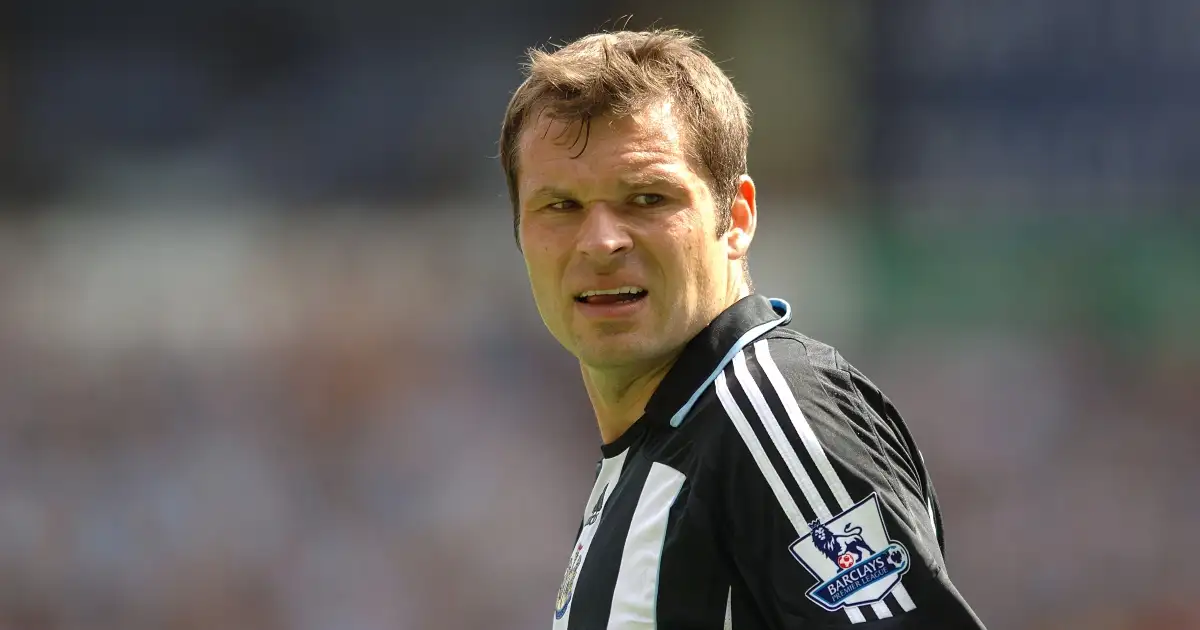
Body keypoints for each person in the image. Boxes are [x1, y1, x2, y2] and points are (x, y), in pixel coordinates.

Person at [499, 28, 986, 629]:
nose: (601, 241)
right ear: (520, 234)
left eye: (648, 199)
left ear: (736, 218)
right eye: (561, 206)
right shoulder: (657, 454)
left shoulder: (768, 416)